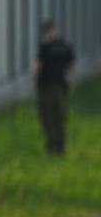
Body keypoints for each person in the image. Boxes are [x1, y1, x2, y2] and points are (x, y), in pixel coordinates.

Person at [33, 20, 75, 155]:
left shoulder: (44, 48)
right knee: (60, 117)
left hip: (45, 86)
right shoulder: (66, 46)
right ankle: (60, 146)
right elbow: (72, 68)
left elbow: (37, 67)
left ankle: (52, 145)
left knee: (47, 116)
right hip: (61, 86)